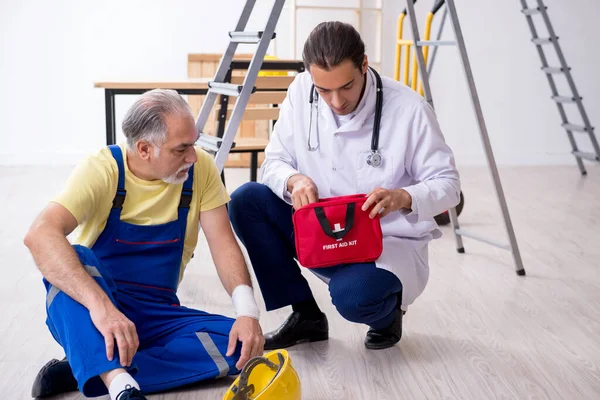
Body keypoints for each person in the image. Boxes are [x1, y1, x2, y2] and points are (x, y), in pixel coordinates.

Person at [228, 21, 461, 351]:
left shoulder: (410, 109)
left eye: (346, 87)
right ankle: (306, 315)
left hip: (383, 246)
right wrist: (295, 180)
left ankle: (387, 316)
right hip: (320, 232)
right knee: (246, 200)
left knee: (355, 297)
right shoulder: (300, 92)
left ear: (364, 64)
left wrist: (403, 197)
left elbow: (449, 185)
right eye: (324, 90)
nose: (336, 101)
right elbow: (273, 162)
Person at [24, 89, 265, 400]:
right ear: (144, 148)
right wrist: (102, 309)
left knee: (244, 347)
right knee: (72, 257)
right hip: (95, 311)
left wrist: (248, 313)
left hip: (158, 313)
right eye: (181, 149)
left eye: (194, 144)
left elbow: (223, 243)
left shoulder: (199, 169)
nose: (192, 156)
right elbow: (40, 235)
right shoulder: (104, 169)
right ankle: (120, 384)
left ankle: (90, 365)